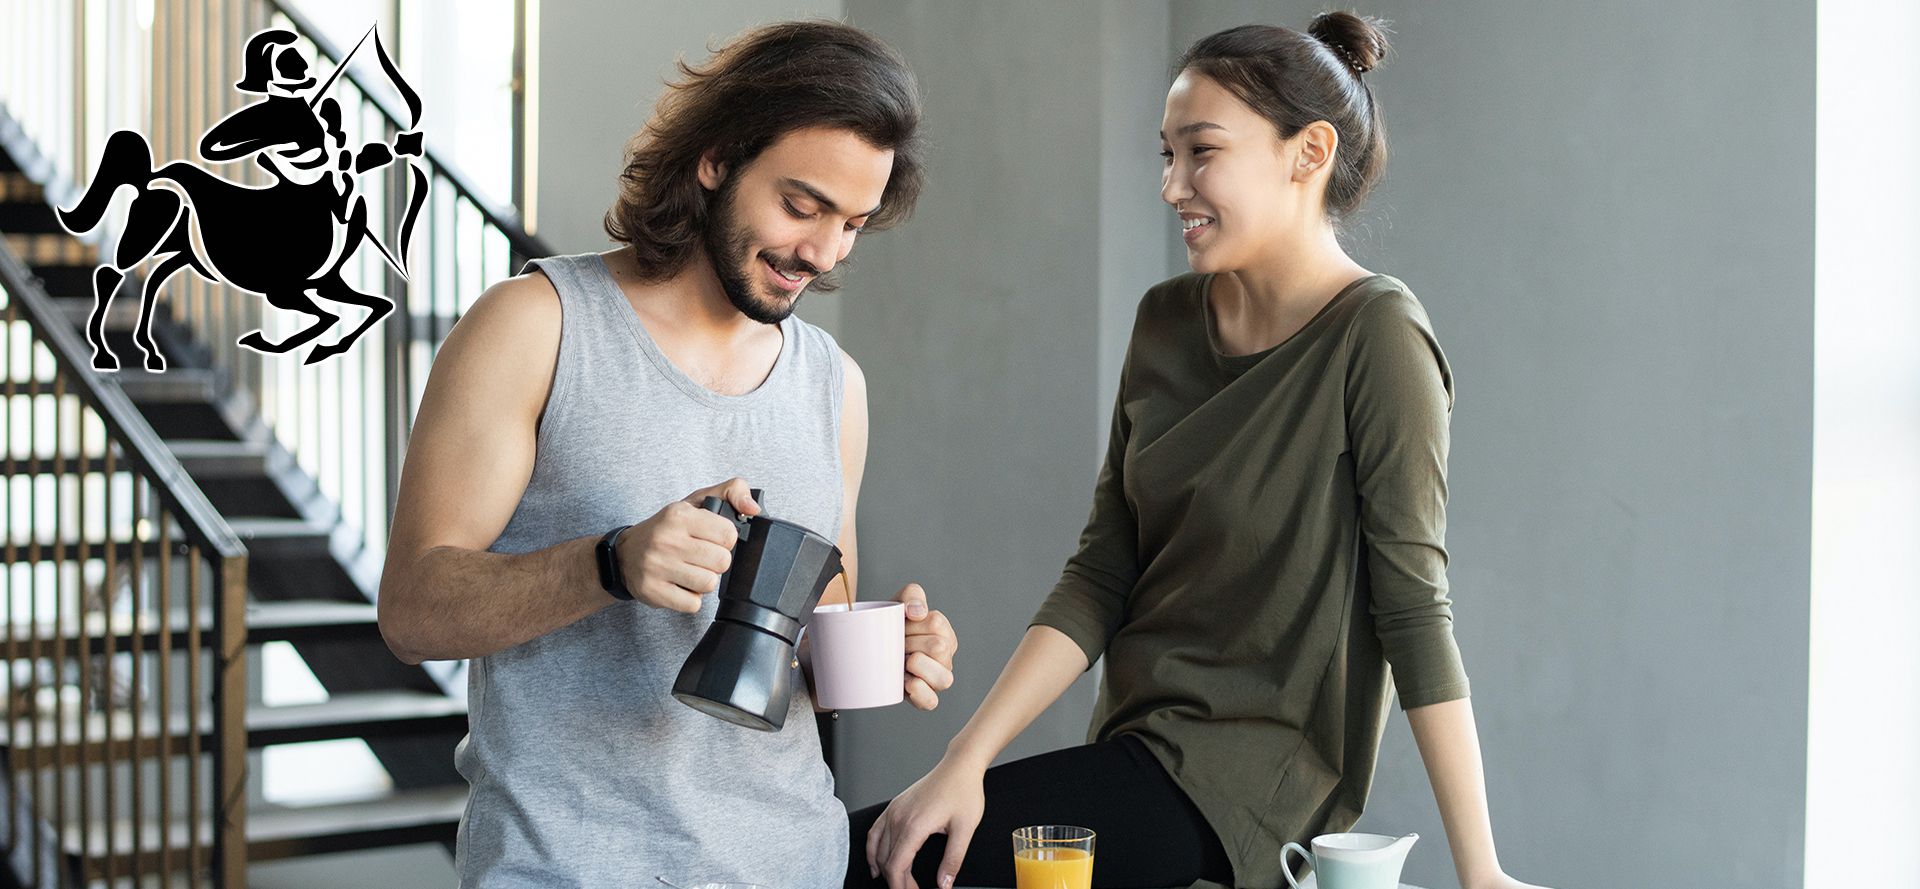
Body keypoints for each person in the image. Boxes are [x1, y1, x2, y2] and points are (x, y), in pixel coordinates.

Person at [852, 14, 1550, 889]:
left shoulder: (1377, 336)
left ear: (1310, 152)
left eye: (1201, 151)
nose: (1172, 184)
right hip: (1133, 756)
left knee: (864, 855)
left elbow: (1413, 609)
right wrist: (963, 759)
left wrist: (1480, 869)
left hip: (1246, 790)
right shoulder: (1165, 322)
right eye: (1165, 155)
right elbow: (1102, 571)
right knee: (879, 845)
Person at [376, 21, 958, 887]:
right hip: (565, 867)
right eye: (801, 206)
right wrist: (610, 562)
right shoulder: (533, 327)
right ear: (716, 158)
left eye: (853, 223)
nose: (824, 253)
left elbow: (806, 653)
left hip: (790, 863)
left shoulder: (836, 386)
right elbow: (413, 611)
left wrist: (890, 646)